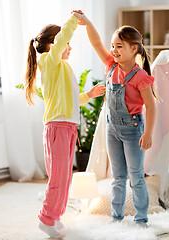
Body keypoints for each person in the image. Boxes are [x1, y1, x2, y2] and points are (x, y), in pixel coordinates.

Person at [24, 12, 106, 239]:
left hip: (67, 128)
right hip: (57, 128)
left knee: (64, 177)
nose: (69, 47)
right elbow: (61, 41)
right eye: (65, 44)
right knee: (58, 178)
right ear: (53, 45)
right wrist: (73, 21)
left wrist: (88, 94)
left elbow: (69, 98)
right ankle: (46, 218)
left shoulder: (62, 68)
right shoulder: (48, 62)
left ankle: (55, 216)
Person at [75, 11, 156, 228]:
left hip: (133, 130)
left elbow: (151, 105)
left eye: (119, 46)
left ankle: (141, 219)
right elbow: (96, 42)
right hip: (112, 129)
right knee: (117, 177)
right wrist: (87, 22)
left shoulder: (140, 76)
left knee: (136, 176)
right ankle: (116, 217)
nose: (114, 50)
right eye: (113, 46)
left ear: (134, 49)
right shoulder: (111, 66)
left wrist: (148, 133)